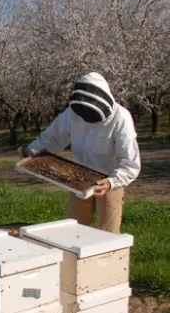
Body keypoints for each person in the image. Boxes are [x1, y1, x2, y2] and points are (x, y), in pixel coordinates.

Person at [24, 72, 141, 234]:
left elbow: (130, 163)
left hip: (110, 180)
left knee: (109, 237)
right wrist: (33, 150)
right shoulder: (73, 113)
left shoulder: (121, 118)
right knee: (73, 231)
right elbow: (53, 137)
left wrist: (112, 182)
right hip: (79, 179)